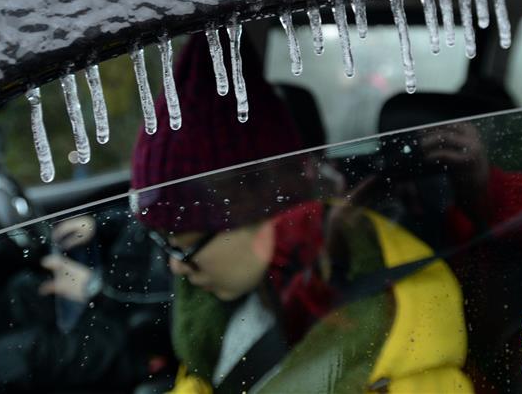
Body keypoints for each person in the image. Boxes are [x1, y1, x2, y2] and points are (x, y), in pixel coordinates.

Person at [130, 33, 473, 393]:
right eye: (165, 242)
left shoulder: (400, 356)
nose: (175, 265)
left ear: (267, 218)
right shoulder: (229, 316)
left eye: (185, 244)